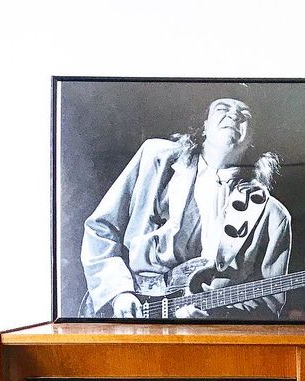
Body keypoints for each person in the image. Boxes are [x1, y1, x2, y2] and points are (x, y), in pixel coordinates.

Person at [80, 96, 291, 319]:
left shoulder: (273, 214)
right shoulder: (156, 157)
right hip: (129, 310)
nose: (234, 115)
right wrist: (119, 293)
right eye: (223, 108)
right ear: (205, 125)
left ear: (253, 138)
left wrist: (214, 317)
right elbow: (101, 229)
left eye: (245, 114)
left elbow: (267, 302)